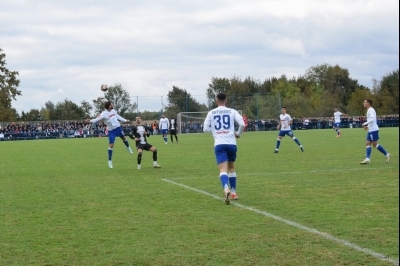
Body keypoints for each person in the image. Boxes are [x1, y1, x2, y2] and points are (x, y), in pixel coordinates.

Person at [203, 93, 245, 205]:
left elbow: (205, 129)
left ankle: (226, 188)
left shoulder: (211, 113)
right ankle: (234, 192)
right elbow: (242, 124)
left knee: (222, 169)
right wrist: (238, 133)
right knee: (231, 168)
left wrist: (216, 129)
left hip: (219, 144)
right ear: (226, 100)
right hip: (231, 143)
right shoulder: (232, 111)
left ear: (216, 100)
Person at [85, 101, 133, 169]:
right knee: (111, 145)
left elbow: (118, 116)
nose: (112, 105)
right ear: (109, 106)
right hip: (111, 131)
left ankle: (128, 147)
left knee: (124, 138)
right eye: (111, 104)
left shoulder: (113, 111)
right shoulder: (104, 114)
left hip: (118, 128)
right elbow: (96, 119)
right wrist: (90, 121)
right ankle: (110, 161)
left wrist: (125, 120)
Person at [360, 99, 390, 164]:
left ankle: (387, 154)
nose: (363, 103)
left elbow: (372, 119)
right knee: (368, 143)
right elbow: (372, 121)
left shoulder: (371, 110)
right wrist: (368, 126)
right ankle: (367, 159)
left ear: (368, 103)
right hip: (371, 129)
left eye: (364, 102)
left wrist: (364, 124)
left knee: (375, 144)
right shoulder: (369, 110)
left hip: (373, 130)